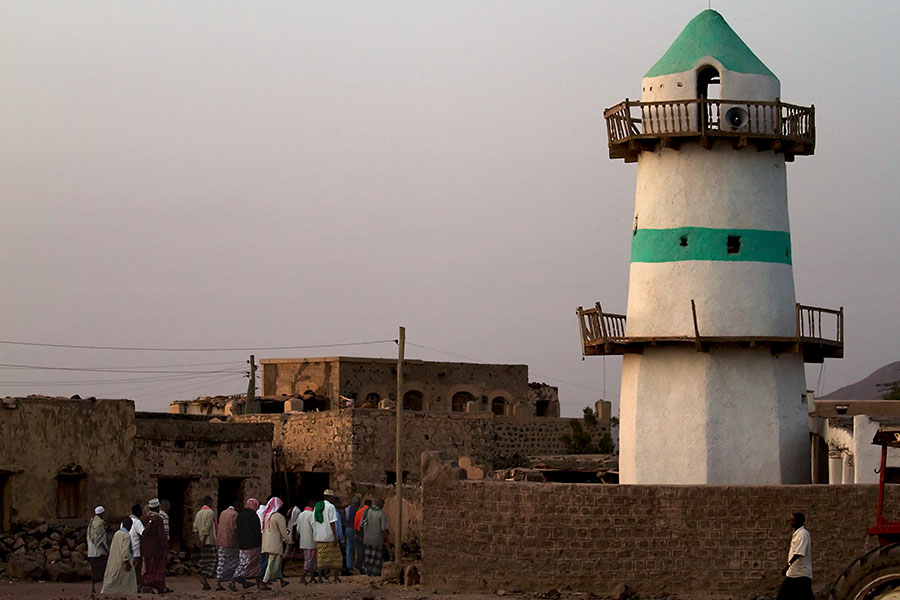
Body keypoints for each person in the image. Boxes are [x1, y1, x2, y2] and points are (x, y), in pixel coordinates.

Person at [777, 512, 814, 600]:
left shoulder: (803, 534)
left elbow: (798, 553)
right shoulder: (797, 534)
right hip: (794, 573)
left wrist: (787, 566)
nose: (791, 522)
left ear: (799, 521)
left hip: (801, 573)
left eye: (793, 520)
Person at [101, 517, 138, 595]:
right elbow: (125, 551)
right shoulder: (126, 535)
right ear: (129, 525)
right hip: (123, 561)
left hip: (114, 560)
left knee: (113, 579)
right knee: (127, 582)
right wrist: (127, 562)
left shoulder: (117, 533)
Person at [260, 497, 291, 588]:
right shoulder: (278, 517)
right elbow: (283, 532)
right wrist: (289, 541)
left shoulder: (266, 515)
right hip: (275, 543)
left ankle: (281, 580)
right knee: (272, 562)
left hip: (266, 542)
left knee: (276, 562)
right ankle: (264, 581)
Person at [141, 498, 170, 594]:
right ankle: (159, 587)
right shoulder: (159, 520)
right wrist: (165, 546)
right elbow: (162, 535)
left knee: (149, 568)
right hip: (157, 549)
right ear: (157, 508)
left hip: (146, 549)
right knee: (158, 569)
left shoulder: (143, 519)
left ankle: (147, 585)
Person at [234, 498, 264, 590]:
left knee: (244, 563)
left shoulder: (240, 515)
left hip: (242, 544)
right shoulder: (253, 516)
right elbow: (256, 531)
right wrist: (260, 541)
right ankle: (233, 581)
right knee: (254, 564)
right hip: (252, 544)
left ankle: (245, 582)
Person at [314, 490, 342, 582]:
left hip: (320, 536)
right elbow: (332, 522)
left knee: (321, 559)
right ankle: (336, 577)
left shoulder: (317, 506)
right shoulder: (331, 507)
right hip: (329, 536)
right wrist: (335, 536)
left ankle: (320, 578)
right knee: (336, 558)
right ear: (330, 497)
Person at [192, 495, 218, 590]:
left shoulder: (198, 513)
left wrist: (198, 540)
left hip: (201, 541)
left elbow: (194, 528)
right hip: (209, 541)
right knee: (213, 561)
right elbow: (207, 528)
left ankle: (205, 583)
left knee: (204, 562)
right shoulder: (210, 513)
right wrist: (203, 540)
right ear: (210, 502)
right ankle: (204, 577)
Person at [361, 497, 390, 577]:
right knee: (376, 559)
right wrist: (386, 541)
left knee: (368, 557)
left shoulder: (366, 512)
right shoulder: (381, 514)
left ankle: (367, 573)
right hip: (377, 540)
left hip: (367, 539)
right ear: (381, 505)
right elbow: (384, 530)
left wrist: (362, 536)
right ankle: (374, 574)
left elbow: (361, 526)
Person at [216, 501, 240, 591]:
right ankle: (232, 582)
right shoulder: (235, 514)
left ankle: (218, 583)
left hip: (221, 540)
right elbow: (235, 528)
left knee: (222, 561)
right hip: (231, 541)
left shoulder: (223, 513)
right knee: (234, 562)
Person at [294, 500, 318, 584]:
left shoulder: (301, 515)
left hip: (304, 541)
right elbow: (314, 527)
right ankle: (303, 576)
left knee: (310, 558)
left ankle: (312, 577)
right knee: (310, 559)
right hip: (311, 541)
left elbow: (298, 529)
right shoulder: (312, 515)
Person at [86, 506, 109, 593]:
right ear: (102, 514)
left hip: (91, 551)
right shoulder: (99, 524)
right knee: (102, 570)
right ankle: (101, 588)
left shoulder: (91, 522)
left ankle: (94, 588)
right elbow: (99, 540)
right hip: (99, 552)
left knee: (94, 570)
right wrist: (106, 550)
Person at [128, 504, 145, 587]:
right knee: (136, 570)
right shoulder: (137, 522)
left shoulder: (126, 521)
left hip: (127, 549)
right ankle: (136, 586)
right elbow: (143, 533)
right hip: (136, 550)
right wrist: (150, 523)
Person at [344, 496, 362, 574]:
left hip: (347, 529)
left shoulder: (346, 509)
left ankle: (349, 565)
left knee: (349, 548)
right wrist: (358, 533)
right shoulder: (357, 511)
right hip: (354, 530)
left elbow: (343, 520)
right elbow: (357, 523)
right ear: (357, 503)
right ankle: (358, 565)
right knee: (359, 548)